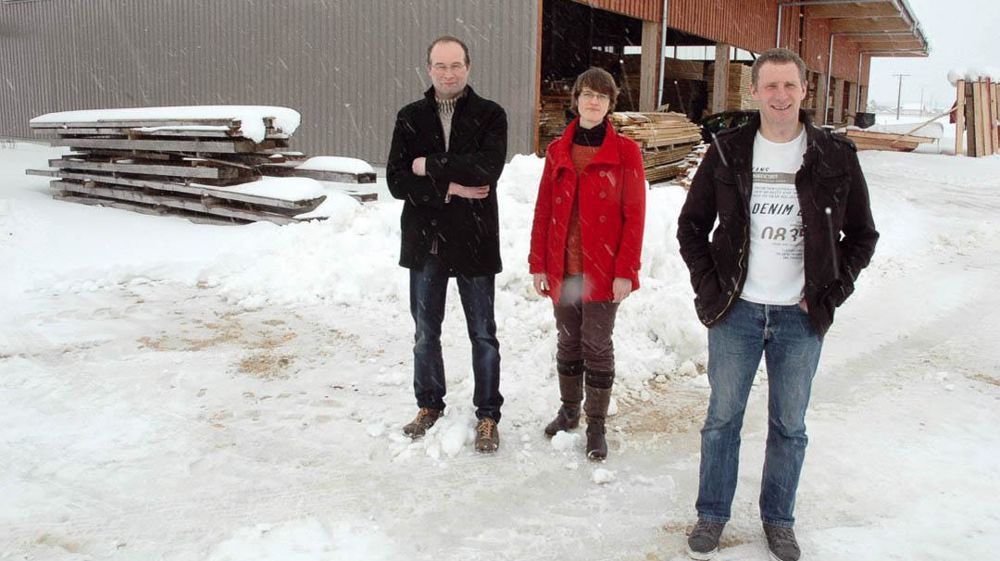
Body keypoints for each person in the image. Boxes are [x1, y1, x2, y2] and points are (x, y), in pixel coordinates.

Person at [677, 48, 878, 561]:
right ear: (754, 92)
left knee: (789, 425)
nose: (780, 96)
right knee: (722, 419)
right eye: (770, 86)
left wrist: (832, 292)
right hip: (736, 312)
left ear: (805, 90)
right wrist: (709, 285)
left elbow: (862, 235)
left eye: (789, 85)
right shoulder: (728, 151)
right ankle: (712, 513)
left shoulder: (834, 155)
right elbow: (691, 227)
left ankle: (779, 520)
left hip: (800, 317)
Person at [386, 36, 508, 453]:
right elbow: (397, 181)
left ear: (468, 67)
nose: (448, 73)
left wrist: (429, 165)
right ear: (429, 69)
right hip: (427, 242)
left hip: (475, 240)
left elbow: (487, 169)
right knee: (425, 333)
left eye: (455, 65)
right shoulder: (410, 117)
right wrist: (451, 187)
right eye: (440, 65)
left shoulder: (490, 115)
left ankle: (488, 414)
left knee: (483, 334)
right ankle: (429, 404)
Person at [528, 67, 646, 461]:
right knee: (568, 340)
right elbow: (544, 210)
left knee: (596, 343)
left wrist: (626, 271)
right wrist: (538, 264)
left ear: (611, 104)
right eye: (587, 94)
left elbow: (634, 215)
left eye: (602, 96)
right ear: (576, 99)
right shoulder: (557, 151)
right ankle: (569, 411)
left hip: (603, 270)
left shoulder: (625, 152)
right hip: (563, 266)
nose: (594, 101)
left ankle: (596, 424)